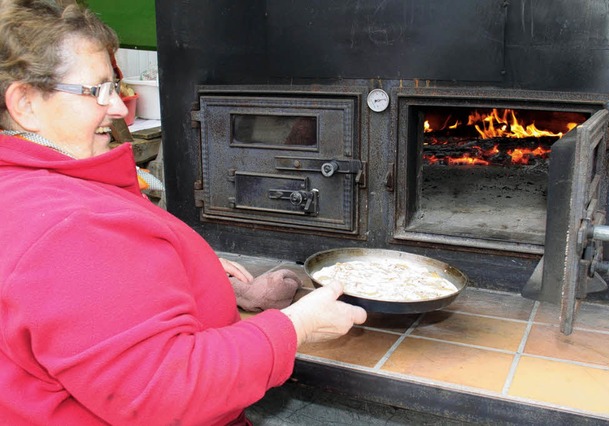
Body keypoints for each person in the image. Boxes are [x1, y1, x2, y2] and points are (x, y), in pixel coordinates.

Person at [0, 1, 367, 425]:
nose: (120, 109)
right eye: (99, 90)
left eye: (115, 87)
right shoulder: (69, 228)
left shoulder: (32, 191)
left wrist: (191, 272)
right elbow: (165, 392)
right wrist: (296, 327)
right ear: (25, 103)